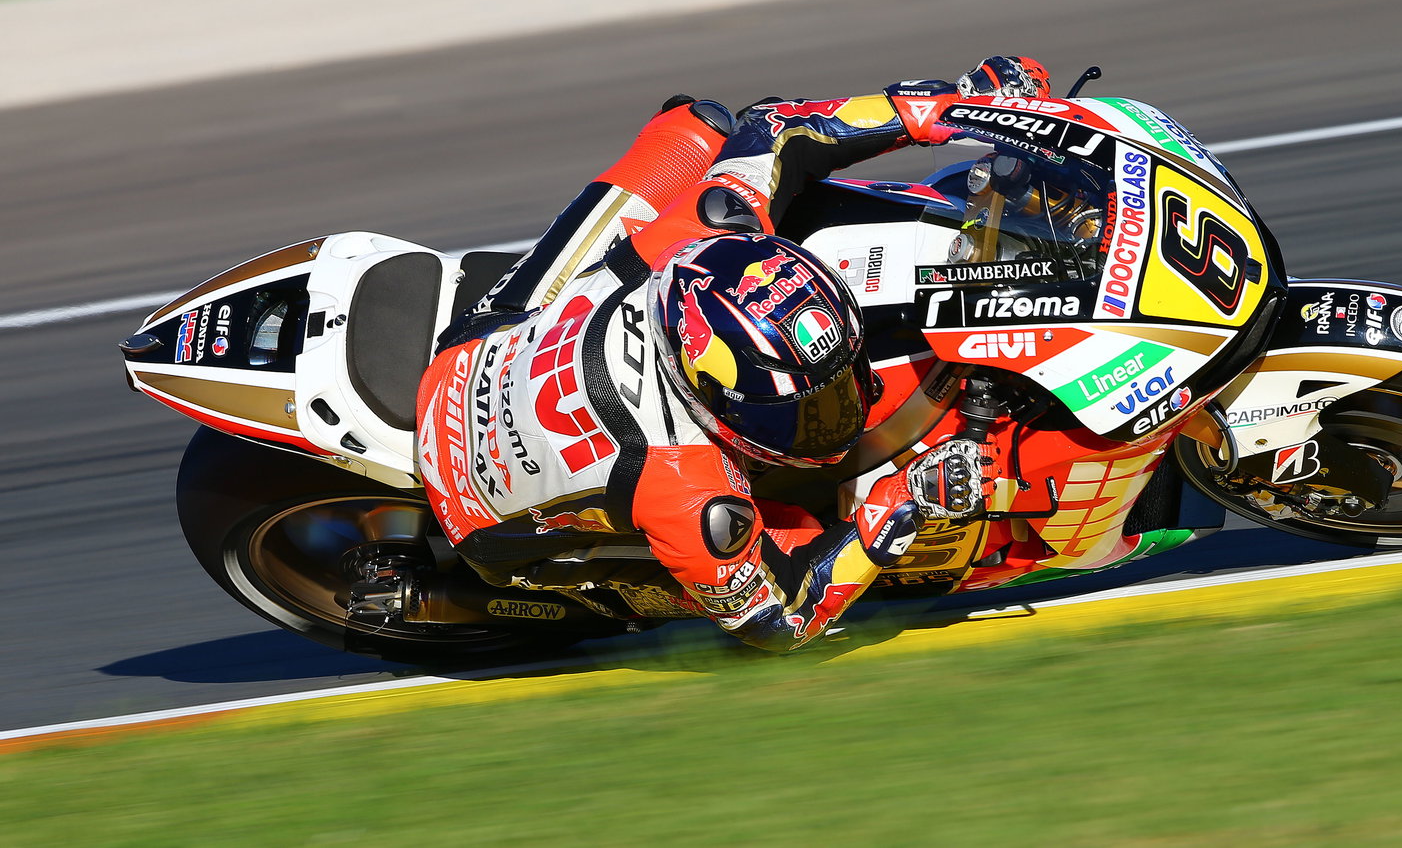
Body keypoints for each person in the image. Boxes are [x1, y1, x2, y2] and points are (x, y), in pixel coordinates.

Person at [410, 57, 1051, 650]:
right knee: (801, 523)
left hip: (499, 340)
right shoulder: (684, 485)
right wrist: (894, 510)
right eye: (803, 407)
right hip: (476, 489)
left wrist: (953, 106)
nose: (846, 408)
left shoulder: (703, 227)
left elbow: (777, 127)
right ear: (710, 400)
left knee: (698, 127)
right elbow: (777, 623)